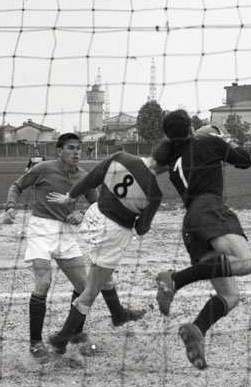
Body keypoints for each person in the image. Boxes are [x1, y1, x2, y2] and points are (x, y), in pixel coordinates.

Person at [3, 133, 127, 361]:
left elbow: (99, 205)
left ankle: (75, 332)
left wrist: (82, 213)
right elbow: (17, 186)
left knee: (83, 285)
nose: (76, 152)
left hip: (66, 233)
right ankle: (36, 343)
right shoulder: (43, 169)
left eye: (78, 148)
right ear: (59, 151)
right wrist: (11, 207)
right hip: (41, 230)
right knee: (43, 282)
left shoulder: (84, 177)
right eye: (71, 148)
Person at [152, 112, 251, 370]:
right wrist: (224, 138)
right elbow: (245, 161)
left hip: (191, 222)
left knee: (230, 295)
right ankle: (175, 279)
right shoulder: (210, 143)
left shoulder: (173, 158)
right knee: (244, 262)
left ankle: (197, 328)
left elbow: (158, 164)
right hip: (209, 208)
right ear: (190, 127)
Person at [44, 151, 163, 354]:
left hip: (96, 218)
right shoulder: (154, 192)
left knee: (102, 271)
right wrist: (135, 212)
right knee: (91, 290)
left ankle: (118, 313)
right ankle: (62, 338)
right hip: (115, 232)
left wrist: (70, 196)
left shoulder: (121, 157)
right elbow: (142, 228)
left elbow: (90, 179)